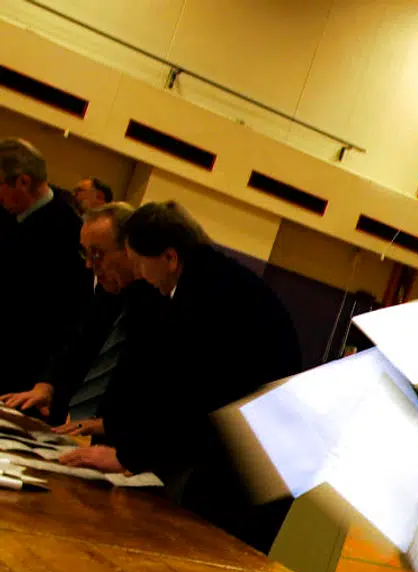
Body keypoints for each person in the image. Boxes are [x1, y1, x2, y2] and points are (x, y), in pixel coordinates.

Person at [60, 201, 301, 551]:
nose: (139, 274)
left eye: (141, 262)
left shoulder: (209, 298)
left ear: (170, 258)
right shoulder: (208, 282)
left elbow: (191, 397)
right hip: (246, 455)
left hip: (252, 469)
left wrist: (128, 454)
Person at [0, 203, 155, 425]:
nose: (89, 265)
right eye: (86, 253)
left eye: (97, 254)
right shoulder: (107, 290)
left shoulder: (160, 303)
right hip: (73, 425)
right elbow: (77, 343)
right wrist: (47, 385)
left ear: (130, 249)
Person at [0, 139, 92, 392]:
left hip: (22, 372)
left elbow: (70, 317)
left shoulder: (70, 233)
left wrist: (47, 380)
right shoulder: (6, 213)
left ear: (23, 182)